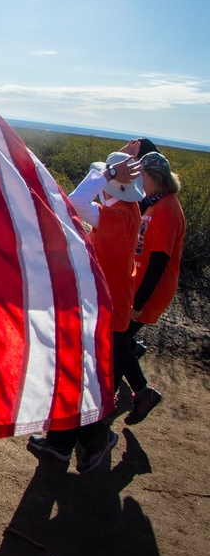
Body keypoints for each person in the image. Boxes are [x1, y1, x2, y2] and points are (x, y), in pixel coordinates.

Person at [27, 150, 144, 471]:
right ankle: (60, 443)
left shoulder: (120, 215)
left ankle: (92, 437)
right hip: (102, 302)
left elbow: (74, 203)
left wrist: (106, 175)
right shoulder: (124, 209)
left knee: (81, 374)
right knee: (77, 371)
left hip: (106, 307)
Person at [118, 147, 185, 423]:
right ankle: (133, 349)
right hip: (139, 287)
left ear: (153, 176)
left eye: (140, 174)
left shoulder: (167, 210)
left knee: (116, 341)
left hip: (150, 292)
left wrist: (139, 303)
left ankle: (144, 393)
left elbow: (158, 261)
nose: (137, 179)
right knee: (120, 338)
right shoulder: (155, 202)